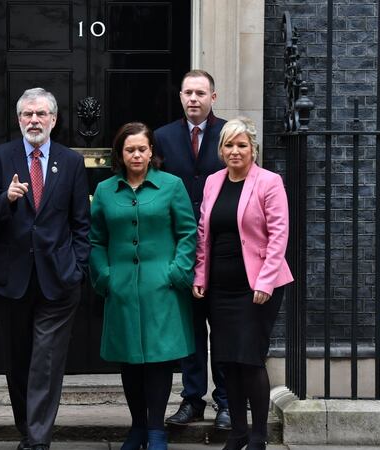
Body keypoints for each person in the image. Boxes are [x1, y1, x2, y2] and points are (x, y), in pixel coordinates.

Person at [0, 87, 90, 450]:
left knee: (45, 360)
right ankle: (28, 428)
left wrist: (77, 268)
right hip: (13, 279)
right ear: (18, 119)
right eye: (27, 114)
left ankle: (37, 440)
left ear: (53, 120)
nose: (34, 120)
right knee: (18, 362)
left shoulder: (70, 162)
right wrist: (6, 200)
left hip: (58, 279)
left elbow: (81, 223)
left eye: (41, 114)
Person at [90, 122, 197, 450]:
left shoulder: (172, 185)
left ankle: (155, 430)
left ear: (152, 152)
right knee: (130, 361)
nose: (136, 155)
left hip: (161, 289)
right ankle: (137, 427)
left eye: (142, 149)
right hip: (121, 288)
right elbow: (96, 240)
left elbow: (188, 232)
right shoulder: (107, 190)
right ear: (120, 155)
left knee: (158, 361)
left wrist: (177, 272)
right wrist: (105, 276)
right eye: (129, 150)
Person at [192, 117, 293, 450]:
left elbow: (279, 236)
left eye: (241, 145)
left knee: (249, 359)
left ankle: (259, 436)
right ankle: (237, 432)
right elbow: (205, 234)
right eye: (228, 145)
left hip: (257, 288)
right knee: (227, 360)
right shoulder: (213, 182)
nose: (235, 151)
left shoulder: (269, 182)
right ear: (221, 150)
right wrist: (201, 276)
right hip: (220, 287)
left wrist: (264, 282)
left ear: (253, 149)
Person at [154, 69, 230, 429]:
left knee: (225, 328)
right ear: (181, 96)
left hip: (224, 248)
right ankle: (192, 399)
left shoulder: (228, 134)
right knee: (191, 328)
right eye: (188, 92)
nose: (194, 99)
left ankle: (227, 401)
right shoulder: (163, 137)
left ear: (213, 97)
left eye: (201, 92)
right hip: (181, 246)